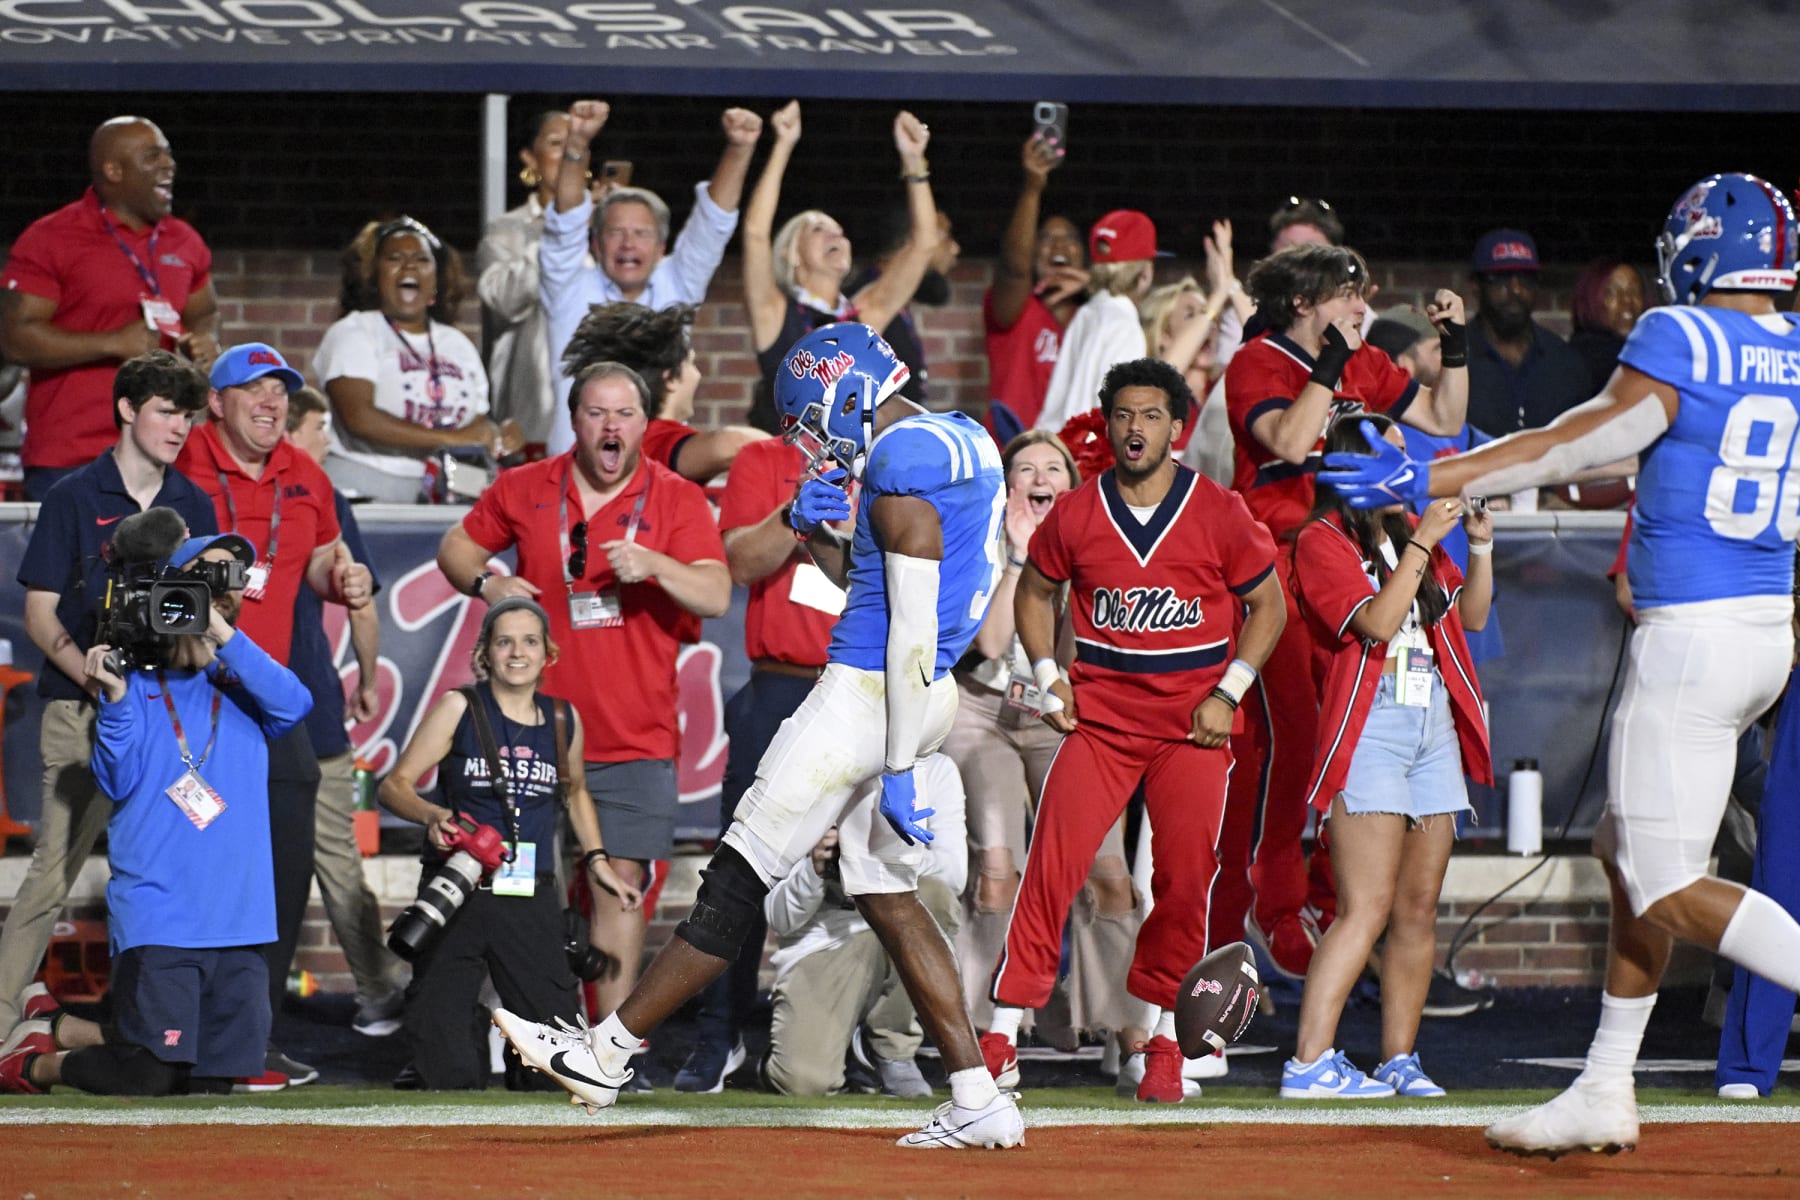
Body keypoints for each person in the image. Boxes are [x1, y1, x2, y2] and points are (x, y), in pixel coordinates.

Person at [1316, 172, 1800, 1156]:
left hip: (1693, 637)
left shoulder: (1685, 335)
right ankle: (1604, 1084)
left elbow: (1586, 439)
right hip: (1763, 628)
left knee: (1664, 882)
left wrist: (1431, 470)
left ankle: (1608, 1082)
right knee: (1631, 857)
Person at [494, 323, 1027, 1150]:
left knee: (738, 874)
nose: (810, 439)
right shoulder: (963, 439)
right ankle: (975, 1090)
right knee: (885, 890)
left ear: (849, 395)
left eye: (813, 418)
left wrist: (896, 761)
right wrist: (821, 538)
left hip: (869, 692)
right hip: (920, 692)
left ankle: (607, 1051)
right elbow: (885, 580)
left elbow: (909, 619)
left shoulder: (899, 460)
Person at [985, 357, 1286, 1104]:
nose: (1135, 429)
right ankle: (999, 1034)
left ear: (1177, 428)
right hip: (1104, 724)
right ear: (1109, 424)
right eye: (1123, 415)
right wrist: (1051, 680)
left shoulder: (1217, 510)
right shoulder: (1079, 512)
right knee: (1050, 866)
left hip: (1195, 730)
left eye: (1151, 415)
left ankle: (1161, 1044)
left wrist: (1230, 690)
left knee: (1184, 882)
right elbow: (1035, 591)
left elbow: (1269, 607)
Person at [437, 361, 729, 1019]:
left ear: (644, 425)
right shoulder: (526, 486)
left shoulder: (677, 497)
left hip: (633, 736)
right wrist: (488, 584)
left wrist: (655, 564)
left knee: (621, 884)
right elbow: (455, 547)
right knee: (513, 884)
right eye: (596, 413)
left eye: (624, 414)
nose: (610, 426)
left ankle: (610, 1049)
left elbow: (714, 593)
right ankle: (512, 1029)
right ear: (574, 420)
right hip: (529, 730)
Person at [1219, 243, 1467, 982]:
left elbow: (1446, 411)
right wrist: (1330, 366)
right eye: (1348, 293)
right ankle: (1274, 898)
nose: (1363, 308)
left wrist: (1455, 343)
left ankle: (1326, 901)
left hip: (1357, 554)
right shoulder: (1257, 362)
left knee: (1355, 734)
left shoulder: (1361, 361)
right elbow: (1291, 441)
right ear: (1305, 301)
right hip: (1280, 568)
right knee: (1293, 737)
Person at [0, 523, 311, 1096]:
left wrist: (217, 629)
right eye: (206, 575)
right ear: (171, 588)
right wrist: (113, 704)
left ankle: (57, 1026)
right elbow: (115, 779)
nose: (222, 588)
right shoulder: (137, 686)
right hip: (161, 916)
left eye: (231, 579)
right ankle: (32, 1065)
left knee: (212, 1082)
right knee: (152, 1072)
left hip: (240, 922)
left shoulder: (248, 685)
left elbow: (297, 702)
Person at [0, 351, 217, 1034]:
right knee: (56, 866)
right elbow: (40, 614)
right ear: (127, 409)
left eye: (186, 414)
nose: (179, 426)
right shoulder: (72, 496)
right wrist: (90, 670)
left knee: (164, 866)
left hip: (164, 710)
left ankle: (165, 1026)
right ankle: (3, 1014)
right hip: (79, 706)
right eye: (165, 410)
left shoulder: (194, 502)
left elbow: (211, 614)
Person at [176, 341, 375, 1084]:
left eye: (280, 391)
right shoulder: (184, 466)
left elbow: (319, 560)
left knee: (285, 872)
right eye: (252, 389)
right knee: (195, 868)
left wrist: (340, 577)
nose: (270, 402)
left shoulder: (306, 473)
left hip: (269, 701)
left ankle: (253, 1034)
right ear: (216, 403)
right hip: (193, 701)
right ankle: (179, 1030)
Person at [1280, 414, 1493, 1100]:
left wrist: (1479, 548)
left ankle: (1399, 1058)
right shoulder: (1319, 540)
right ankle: (1309, 1063)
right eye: (1394, 457)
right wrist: (1424, 542)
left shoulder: (1408, 537)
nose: (1410, 469)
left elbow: (1475, 617)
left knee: (1417, 909)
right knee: (1363, 906)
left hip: (1434, 725)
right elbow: (1372, 623)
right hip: (1368, 726)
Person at [940, 430, 1148, 1082]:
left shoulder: (1097, 541)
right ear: (1007, 488)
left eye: (1051, 467)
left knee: (1108, 874)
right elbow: (992, 642)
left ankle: (1128, 1031)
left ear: (1071, 484)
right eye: (1023, 468)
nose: (1038, 477)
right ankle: (985, 1042)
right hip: (982, 715)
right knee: (998, 868)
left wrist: (1062, 562)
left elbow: (1079, 657)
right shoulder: (980, 539)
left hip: (1062, 716)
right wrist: (1020, 557)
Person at [377, 596, 639, 1089]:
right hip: (458, 885)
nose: (517, 652)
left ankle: (515, 1059)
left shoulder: (564, 719)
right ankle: (459, 1032)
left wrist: (598, 859)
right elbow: (394, 786)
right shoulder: (460, 706)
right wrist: (432, 814)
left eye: (529, 641)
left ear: (548, 654)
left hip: (528, 890)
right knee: (447, 1073)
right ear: (485, 653)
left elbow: (576, 790)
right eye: (504, 642)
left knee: (553, 1068)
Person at [673, 394, 839, 1093]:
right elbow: (740, 561)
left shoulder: (898, 457)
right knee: (739, 863)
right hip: (779, 684)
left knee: (874, 867)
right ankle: (719, 1033)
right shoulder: (764, 461)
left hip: (862, 685)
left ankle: (864, 1039)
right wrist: (796, 511)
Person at [0, 116, 219, 499]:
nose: (169, 165)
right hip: (75, 457)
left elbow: (204, 315)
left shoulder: (184, 241)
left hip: (167, 454)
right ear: (113, 170)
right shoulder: (52, 237)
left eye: (168, 154)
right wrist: (112, 343)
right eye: (153, 156)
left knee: (173, 561)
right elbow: (14, 338)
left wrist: (204, 343)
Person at [283, 387, 407, 1034]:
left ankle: (247, 1001)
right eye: (319, 428)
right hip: (304, 698)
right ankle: (377, 989)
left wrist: (358, 676)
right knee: (335, 857)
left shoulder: (314, 492)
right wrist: (363, 674)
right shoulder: (314, 491)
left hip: (287, 698)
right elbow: (360, 599)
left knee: (316, 857)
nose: (326, 440)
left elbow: (355, 588)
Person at [541, 101, 761, 455]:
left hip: (658, 472)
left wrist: (739, 148)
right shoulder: (568, 286)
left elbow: (712, 225)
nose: (628, 243)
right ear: (595, 244)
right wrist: (578, 143)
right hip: (576, 472)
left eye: (641, 233)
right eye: (616, 232)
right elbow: (564, 223)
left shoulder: (677, 285)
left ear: (661, 248)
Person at [762, 755, 966, 1099]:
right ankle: (828, 1043)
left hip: (897, 916)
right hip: (829, 937)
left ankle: (891, 1047)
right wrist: (814, 869)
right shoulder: (811, 764)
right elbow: (778, 916)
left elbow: (954, 875)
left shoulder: (936, 768)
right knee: (802, 1082)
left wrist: (887, 858)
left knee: (936, 898)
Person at [314, 215, 519, 502]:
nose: (409, 265)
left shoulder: (457, 344)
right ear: (374, 278)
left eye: (422, 260)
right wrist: (451, 440)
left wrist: (499, 434)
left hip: (451, 484)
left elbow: (477, 424)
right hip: (367, 480)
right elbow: (359, 418)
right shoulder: (355, 330)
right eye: (394, 258)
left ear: (436, 282)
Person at [741, 102, 942, 388]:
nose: (835, 236)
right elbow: (755, 232)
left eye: (840, 231)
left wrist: (914, 162)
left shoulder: (863, 316)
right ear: (791, 253)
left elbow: (924, 243)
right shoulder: (774, 313)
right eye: (818, 229)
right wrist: (783, 145)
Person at [557, 301, 765, 483]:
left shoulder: (596, 441)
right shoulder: (652, 438)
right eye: (691, 363)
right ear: (670, 378)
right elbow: (732, 444)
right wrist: (791, 448)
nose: (698, 375)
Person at [479, 109, 576, 451]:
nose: (569, 155)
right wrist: (561, 232)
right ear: (530, 159)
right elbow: (503, 303)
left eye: (577, 145)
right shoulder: (507, 230)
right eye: (556, 144)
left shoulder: (603, 226)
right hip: (535, 401)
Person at [984, 131, 1088, 442]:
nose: (1059, 245)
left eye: (1070, 239)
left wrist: (1094, 286)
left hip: (1074, 462)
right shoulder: (1017, 308)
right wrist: (1032, 187)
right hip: (1012, 455)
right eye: (1045, 239)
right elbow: (1014, 268)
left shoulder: (1095, 315)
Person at [1034, 210, 1160, 435]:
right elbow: (1120, 419)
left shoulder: (1087, 313)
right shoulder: (1124, 326)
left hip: (1062, 449)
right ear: (1144, 273)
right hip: (1093, 458)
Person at [1464, 229, 1592, 437]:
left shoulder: (1564, 361)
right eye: (1502, 278)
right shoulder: (1453, 358)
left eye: (1526, 278)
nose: (1516, 290)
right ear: (1476, 286)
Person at [843, 205, 962, 403]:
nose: (955, 247)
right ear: (913, 242)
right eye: (945, 235)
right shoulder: (869, 302)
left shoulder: (899, 305)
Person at [1568, 259, 1649, 395]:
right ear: (1591, 299)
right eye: (1611, 292)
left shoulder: (1646, 350)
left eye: (1634, 290)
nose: (1627, 300)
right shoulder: (1583, 361)